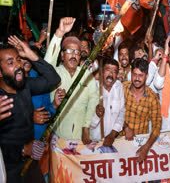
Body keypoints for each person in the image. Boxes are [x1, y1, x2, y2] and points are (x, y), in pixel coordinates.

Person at [0, 36, 61, 182]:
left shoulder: (25, 86)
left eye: (18, 59)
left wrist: (32, 55)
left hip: (30, 164)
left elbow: (54, 80)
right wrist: (22, 149)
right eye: (10, 62)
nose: (18, 65)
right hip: (8, 171)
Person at [44, 17, 99, 144]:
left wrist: (86, 126)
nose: (74, 55)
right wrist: (59, 33)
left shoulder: (86, 75)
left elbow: (93, 100)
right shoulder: (55, 74)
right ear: (62, 55)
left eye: (77, 52)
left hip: (82, 139)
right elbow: (46, 64)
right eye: (69, 51)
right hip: (59, 139)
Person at [121, 58, 162, 162]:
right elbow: (113, 112)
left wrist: (147, 147)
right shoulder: (122, 89)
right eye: (134, 74)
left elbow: (157, 126)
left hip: (140, 145)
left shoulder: (152, 97)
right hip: (119, 142)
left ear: (147, 76)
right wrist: (125, 127)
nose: (137, 79)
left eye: (141, 75)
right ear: (131, 74)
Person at [90, 58, 125, 147]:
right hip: (95, 143)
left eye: (114, 71)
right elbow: (87, 125)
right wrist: (96, 115)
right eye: (108, 70)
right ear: (101, 72)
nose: (111, 74)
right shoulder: (92, 89)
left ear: (117, 74)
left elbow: (121, 112)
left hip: (113, 141)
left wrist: (112, 134)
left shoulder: (118, 86)